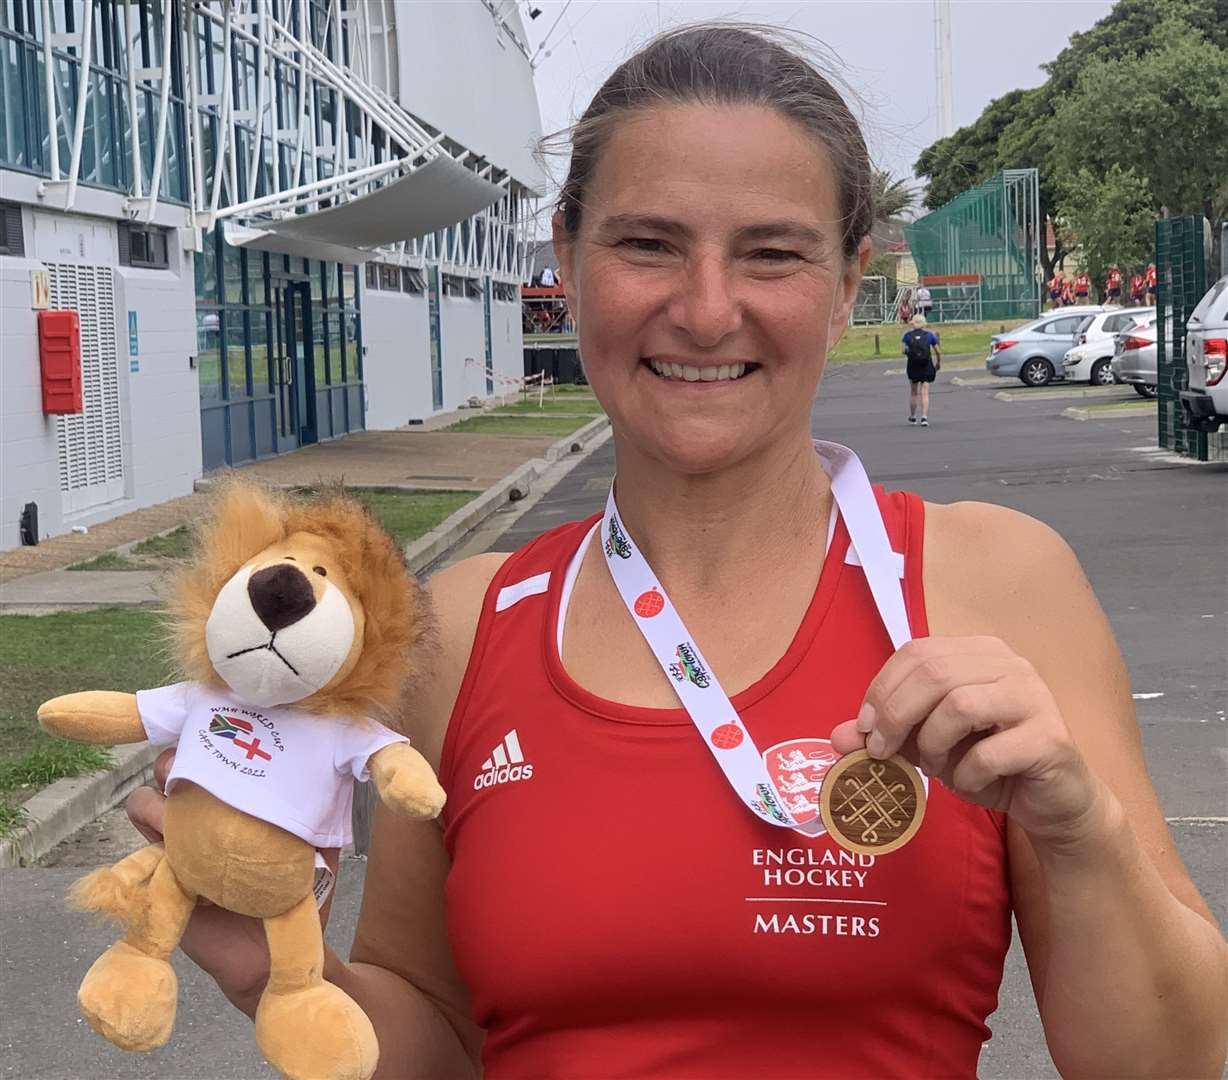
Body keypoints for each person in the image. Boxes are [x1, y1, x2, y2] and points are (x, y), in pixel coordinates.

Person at [126, 24, 1228, 1080]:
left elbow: (1170, 1063)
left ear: (849, 281)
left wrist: (1081, 831)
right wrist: (282, 975)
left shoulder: (993, 584)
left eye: (771, 254)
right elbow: (438, 1045)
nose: (706, 311)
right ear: (567, 254)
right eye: (648, 244)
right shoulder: (458, 627)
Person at [902, 312, 941, 426]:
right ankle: (924, 417)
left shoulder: (907, 336)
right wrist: (938, 362)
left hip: (913, 365)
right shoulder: (929, 335)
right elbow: (937, 351)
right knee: (925, 392)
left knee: (914, 392)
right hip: (926, 364)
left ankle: (913, 417)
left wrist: (912, 355)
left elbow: (903, 350)